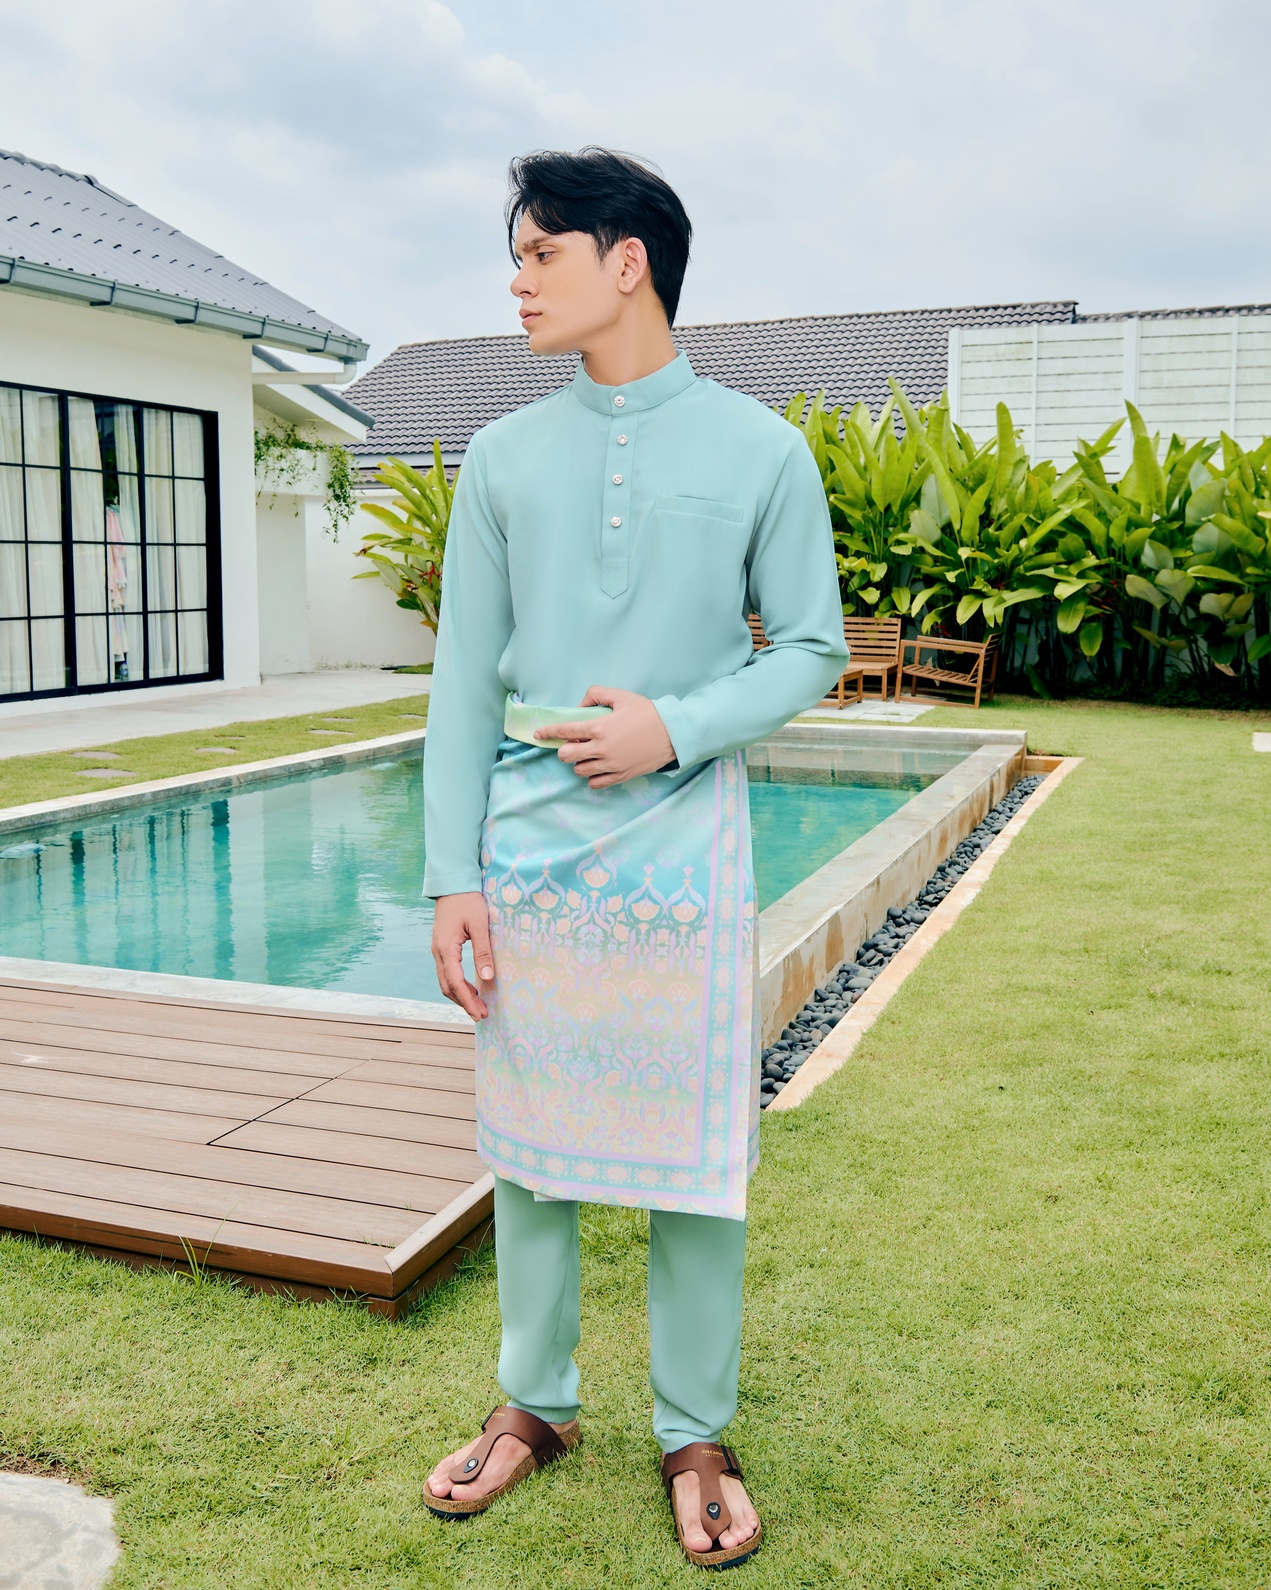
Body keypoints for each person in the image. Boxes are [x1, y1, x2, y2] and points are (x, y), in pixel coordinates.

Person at [421, 146, 847, 1569]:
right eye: (517, 255)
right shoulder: (500, 458)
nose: (517, 280)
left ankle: (695, 1430)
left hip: (685, 842)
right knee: (530, 1150)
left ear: (628, 262)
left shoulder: (762, 449)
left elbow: (810, 648)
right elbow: (461, 683)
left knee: (695, 1159)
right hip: (527, 845)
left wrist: (676, 726)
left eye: (540, 252)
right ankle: (535, 1403)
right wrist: (452, 873)